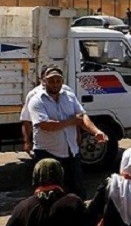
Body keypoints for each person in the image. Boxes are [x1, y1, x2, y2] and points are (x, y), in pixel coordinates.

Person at [28, 66, 108, 199]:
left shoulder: (69, 96)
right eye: (51, 81)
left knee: (77, 192)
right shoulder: (36, 100)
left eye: (58, 80)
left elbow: (82, 116)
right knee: (50, 195)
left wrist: (96, 131)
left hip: (71, 152)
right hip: (48, 154)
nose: (55, 84)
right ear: (44, 81)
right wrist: (71, 121)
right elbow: (45, 125)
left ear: (62, 81)